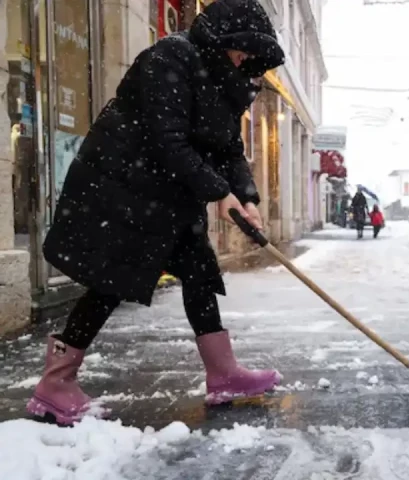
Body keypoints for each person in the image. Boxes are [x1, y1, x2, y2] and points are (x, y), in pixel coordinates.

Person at [26, 0, 286, 426]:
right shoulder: (170, 56)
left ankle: (223, 373)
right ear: (223, 41)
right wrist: (218, 194)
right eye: (242, 50)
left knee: (200, 275)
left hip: (171, 197)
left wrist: (247, 198)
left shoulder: (225, 81)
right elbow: (167, 141)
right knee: (109, 283)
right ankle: (55, 384)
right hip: (128, 190)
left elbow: (228, 149)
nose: (246, 60)